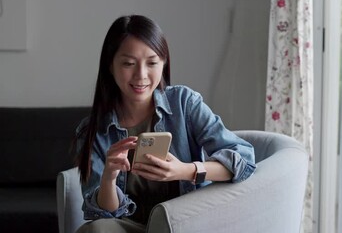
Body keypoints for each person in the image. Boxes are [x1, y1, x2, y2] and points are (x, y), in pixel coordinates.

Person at [74, 15, 256, 233]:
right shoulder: (92, 131)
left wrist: (185, 171)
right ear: (110, 66)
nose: (141, 75)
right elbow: (102, 215)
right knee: (97, 229)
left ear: (163, 63)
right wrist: (108, 178)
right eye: (128, 63)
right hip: (129, 226)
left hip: (185, 223)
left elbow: (243, 158)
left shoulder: (184, 103)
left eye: (151, 63)